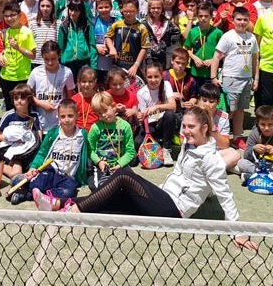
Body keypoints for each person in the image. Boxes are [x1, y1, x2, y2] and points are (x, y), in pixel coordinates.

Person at [67, 106, 257, 250]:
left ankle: (74, 210)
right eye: (184, 126)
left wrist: (238, 232)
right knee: (119, 198)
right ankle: (60, 203)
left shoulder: (212, 160)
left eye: (191, 127)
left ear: (205, 128)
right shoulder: (189, 144)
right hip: (163, 196)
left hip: (175, 211)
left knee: (124, 175)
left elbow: (225, 195)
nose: (186, 131)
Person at [23, 99, 89, 211]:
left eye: (70, 116)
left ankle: (34, 196)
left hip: (68, 177)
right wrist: (33, 167)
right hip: (51, 173)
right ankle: (34, 194)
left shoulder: (82, 135)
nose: (67, 120)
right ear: (58, 117)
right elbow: (42, 153)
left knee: (70, 192)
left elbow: (90, 152)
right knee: (37, 182)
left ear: (77, 115)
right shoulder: (53, 133)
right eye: (63, 116)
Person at [211, 7, 259, 147]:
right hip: (230, 78)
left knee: (240, 109)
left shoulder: (251, 37)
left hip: (246, 79)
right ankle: (219, 135)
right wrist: (213, 77)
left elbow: (255, 59)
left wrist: (255, 78)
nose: (242, 22)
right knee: (227, 110)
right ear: (233, 20)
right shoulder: (228, 36)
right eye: (239, 19)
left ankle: (237, 137)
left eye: (245, 20)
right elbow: (217, 56)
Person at [87, 91, 135, 190]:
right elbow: (90, 150)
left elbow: (130, 151)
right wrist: (99, 161)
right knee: (97, 187)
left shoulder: (125, 126)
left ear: (113, 106)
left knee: (133, 185)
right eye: (99, 113)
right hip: (102, 164)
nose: (103, 115)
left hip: (120, 163)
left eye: (105, 110)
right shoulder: (95, 128)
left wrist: (120, 164)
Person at [238, 105, 273, 187]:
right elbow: (246, 156)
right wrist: (254, 149)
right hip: (258, 165)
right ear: (258, 123)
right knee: (241, 163)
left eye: (270, 125)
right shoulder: (254, 133)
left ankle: (252, 177)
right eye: (263, 124)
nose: (266, 128)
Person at [0, 84, 42, 180]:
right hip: (12, 151)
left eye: (23, 98)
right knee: (16, 173)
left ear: (29, 100)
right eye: (16, 98)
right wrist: (13, 138)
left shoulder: (34, 115)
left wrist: (34, 145)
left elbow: (39, 136)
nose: (19, 101)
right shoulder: (9, 115)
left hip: (29, 150)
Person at [136, 61, 178, 166]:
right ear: (145, 77)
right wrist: (141, 116)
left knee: (170, 115)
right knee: (137, 143)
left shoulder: (166, 85)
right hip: (150, 126)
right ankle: (156, 145)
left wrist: (157, 107)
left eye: (156, 76)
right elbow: (142, 117)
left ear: (161, 76)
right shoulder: (141, 93)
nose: (153, 80)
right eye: (150, 77)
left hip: (164, 123)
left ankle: (166, 149)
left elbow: (173, 106)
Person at [27, 41, 75, 133]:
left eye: (53, 59)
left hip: (59, 123)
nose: (50, 62)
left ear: (59, 56)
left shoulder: (67, 72)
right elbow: (27, 94)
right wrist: (42, 104)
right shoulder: (35, 72)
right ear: (42, 57)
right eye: (46, 59)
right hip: (41, 121)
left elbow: (70, 98)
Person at [0, 2, 36, 111]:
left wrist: (19, 48)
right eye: (6, 16)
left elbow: (33, 55)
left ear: (19, 15)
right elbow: (5, 49)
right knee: (10, 108)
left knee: (24, 107)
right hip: (6, 76)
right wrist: (0, 55)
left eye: (12, 15)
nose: (9, 18)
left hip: (22, 77)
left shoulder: (27, 32)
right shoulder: (7, 31)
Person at [105, 0, 150, 79]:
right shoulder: (116, 24)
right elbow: (107, 37)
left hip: (133, 67)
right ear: (122, 10)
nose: (128, 14)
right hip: (117, 65)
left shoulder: (142, 28)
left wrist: (136, 65)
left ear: (137, 11)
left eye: (131, 11)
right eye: (126, 11)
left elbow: (144, 48)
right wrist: (111, 48)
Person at [184, 2, 223, 90]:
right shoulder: (193, 31)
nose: (203, 18)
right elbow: (187, 49)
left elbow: (224, 52)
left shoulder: (218, 32)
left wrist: (213, 60)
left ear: (211, 16)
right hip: (196, 71)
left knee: (210, 97)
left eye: (206, 16)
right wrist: (194, 58)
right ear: (197, 16)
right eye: (200, 16)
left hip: (212, 72)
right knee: (196, 96)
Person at [58, 0, 97, 79]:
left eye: (76, 10)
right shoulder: (64, 26)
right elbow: (60, 47)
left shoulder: (87, 26)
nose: (72, 13)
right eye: (71, 10)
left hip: (84, 62)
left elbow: (92, 46)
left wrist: (93, 67)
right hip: (67, 63)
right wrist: (60, 62)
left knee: (84, 87)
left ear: (81, 11)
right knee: (70, 89)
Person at [143, 0, 181, 67]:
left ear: (162, 9)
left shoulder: (168, 23)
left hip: (164, 56)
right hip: (148, 57)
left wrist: (167, 42)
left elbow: (177, 32)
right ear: (149, 9)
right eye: (153, 8)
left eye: (158, 8)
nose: (156, 10)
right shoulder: (144, 24)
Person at [29, 0, 58, 69]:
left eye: (48, 6)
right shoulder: (32, 24)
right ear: (39, 7)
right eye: (42, 6)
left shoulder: (58, 24)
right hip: (36, 62)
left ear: (52, 8)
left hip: (52, 62)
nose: (45, 9)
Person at [93, 0, 116, 84]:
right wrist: (96, 48)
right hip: (97, 61)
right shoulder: (92, 22)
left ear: (111, 7)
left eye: (106, 7)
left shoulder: (116, 22)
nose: (104, 10)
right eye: (100, 7)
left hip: (112, 62)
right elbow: (88, 40)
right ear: (96, 9)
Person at [72, 67, 100, 133]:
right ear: (78, 81)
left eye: (90, 81)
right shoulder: (74, 99)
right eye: (84, 81)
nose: (87, 85)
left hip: (95, 132)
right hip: (78, 134)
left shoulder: (99, 98)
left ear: (95, 81)